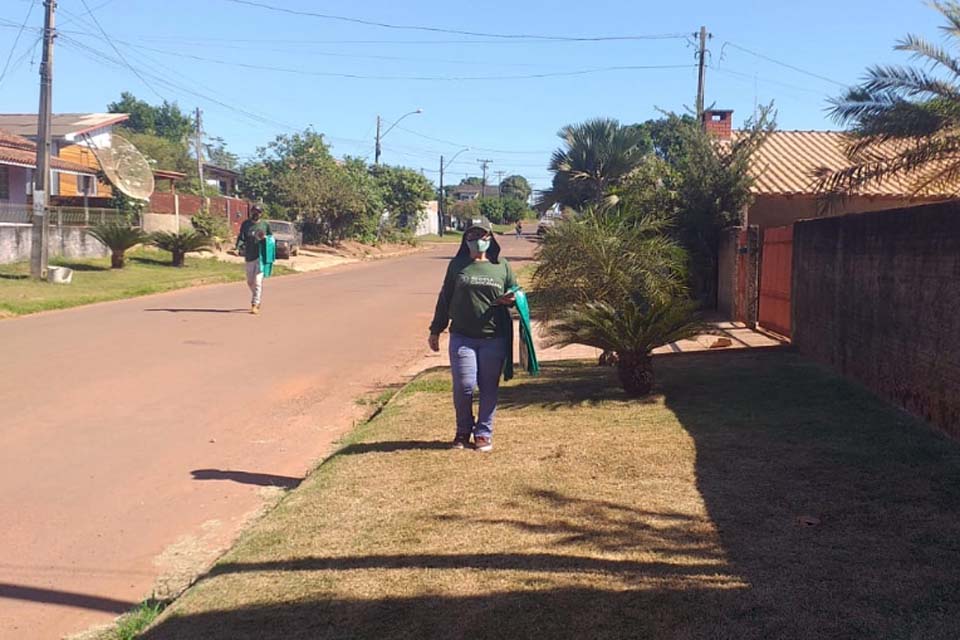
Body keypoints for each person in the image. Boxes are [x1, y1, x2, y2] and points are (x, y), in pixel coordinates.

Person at [428, 220, 517, 452]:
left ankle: (483, 433)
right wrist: (436, 330)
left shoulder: (502, 266)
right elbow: (445, 299)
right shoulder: (457, 265)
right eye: (472, 235)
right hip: (462, 337)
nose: (477, 240)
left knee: (488, 388)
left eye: (482, 235)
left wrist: (511, 298)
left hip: (494, 337)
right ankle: (463, 430)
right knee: (464, 385)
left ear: (490, 238)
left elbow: (516, 292)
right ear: (465, 239)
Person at [236, 205, 272, 315]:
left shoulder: (265, 225)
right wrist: (238, 247)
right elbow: (241, 237)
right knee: (250, 281)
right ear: (251, 212)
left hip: (260, 256)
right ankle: (256, 295)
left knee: (257, 281)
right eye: (254, 212)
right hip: (249, 255)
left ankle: (255, 303)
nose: (256, 214)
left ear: (261, 213)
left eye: (258, 212)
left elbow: (271, 239)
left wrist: (265, 238)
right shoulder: (246, 224)